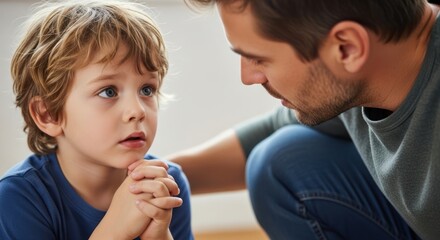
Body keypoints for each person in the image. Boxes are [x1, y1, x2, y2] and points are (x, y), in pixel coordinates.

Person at [169, 0, 440, 239]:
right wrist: (159, 176)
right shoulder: (365, 73)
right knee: (282, 160)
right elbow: (271, 129)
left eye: (258, 59)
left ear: (347, 48)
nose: (248, 77)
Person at [0, 0, 193, 239]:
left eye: (147, 89)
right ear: (47, 114)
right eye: (108, 92)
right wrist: (114, 229)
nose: (137, 110)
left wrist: (159, 233)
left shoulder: (167, 185)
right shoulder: (19, 198)